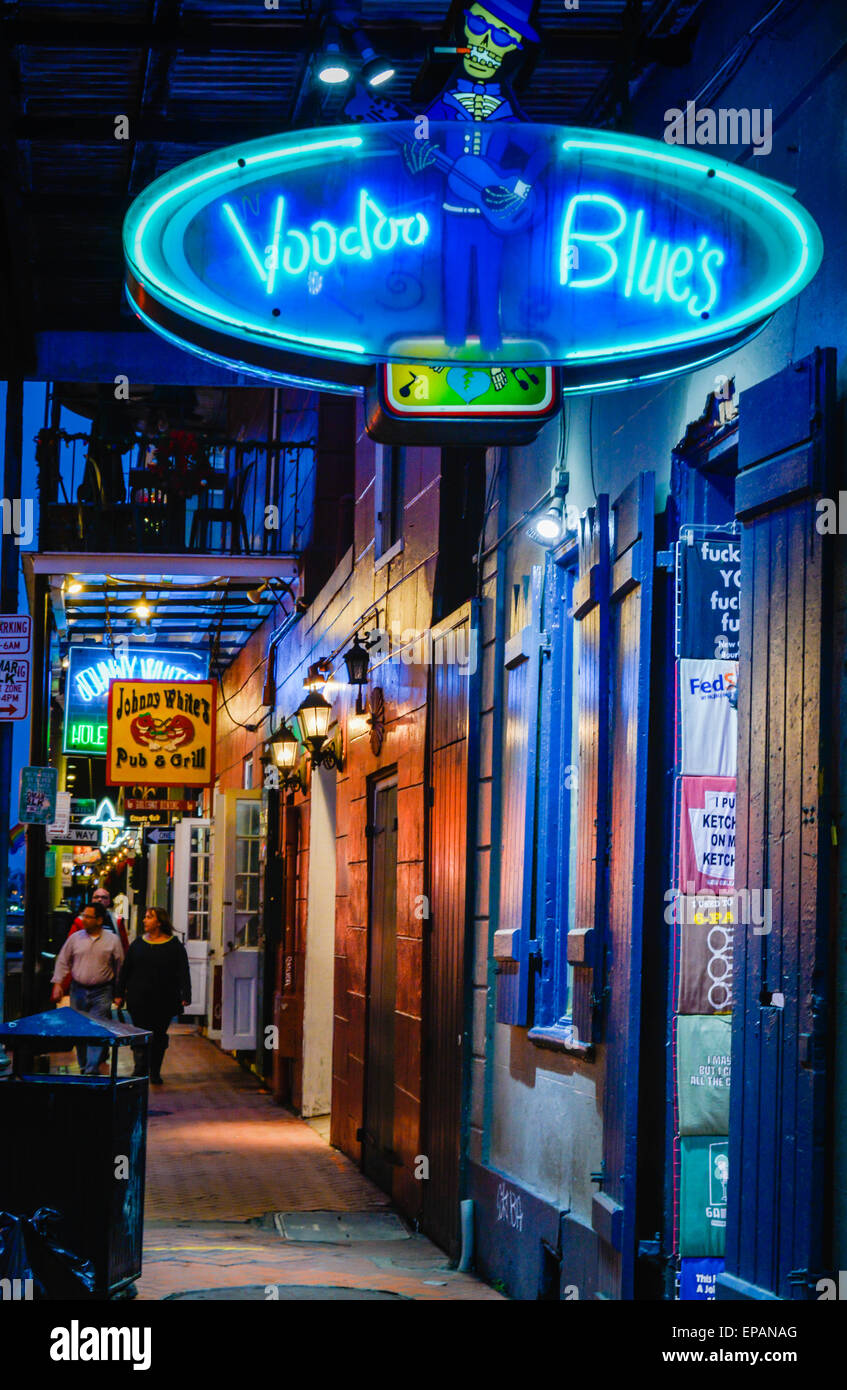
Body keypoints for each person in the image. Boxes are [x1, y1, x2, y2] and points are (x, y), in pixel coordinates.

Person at [115, 907, 191, 1086]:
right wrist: (119, 993)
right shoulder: (138, 944)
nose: (144, 920)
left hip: (164, 998)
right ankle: (140, 1067)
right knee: (140, 1032)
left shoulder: (174, 945)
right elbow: (126, 970)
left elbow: (183, 971)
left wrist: (186, 994)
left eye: (149, 917)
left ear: (159, 922)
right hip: (139, 997)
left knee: (158, 1034)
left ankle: (155, 1070)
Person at [51, 901, 124, 1076]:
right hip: (79, 989)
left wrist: (119, 992)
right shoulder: (75, 938)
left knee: (98, 1028)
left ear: (99, 920)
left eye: (88, 916)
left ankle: (91, 1069)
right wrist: (57, 984)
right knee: (80, 1028)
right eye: (83, 915)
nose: (84, 920)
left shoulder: (112, 940)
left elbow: (120, 965)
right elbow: (63, 960)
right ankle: (84, 1066)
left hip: (102, 990)